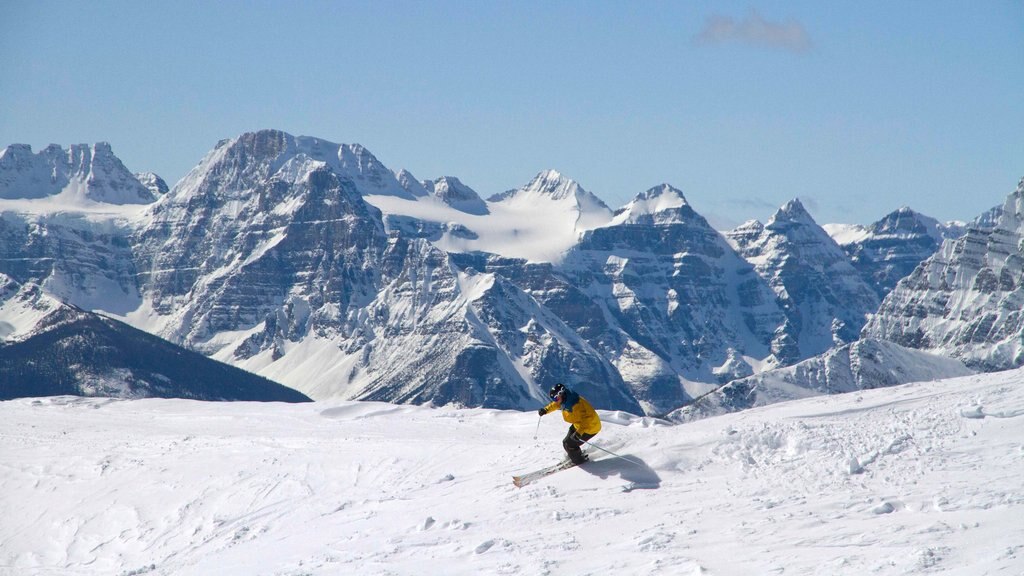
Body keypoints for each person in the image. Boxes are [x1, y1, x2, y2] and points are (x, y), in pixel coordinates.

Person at [538, 383, 601, 464]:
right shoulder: (565, 399)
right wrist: (546, 410)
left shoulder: (575, 404)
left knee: (570, 444)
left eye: (556, 399)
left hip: (590, 427)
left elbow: (587, 419)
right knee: (566, 443)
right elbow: (556, 404)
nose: (555, 401)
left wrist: (579, 432)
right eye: (554, 399)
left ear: (561, 394)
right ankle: (575, 455)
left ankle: (580, 462)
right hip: (578, 425)